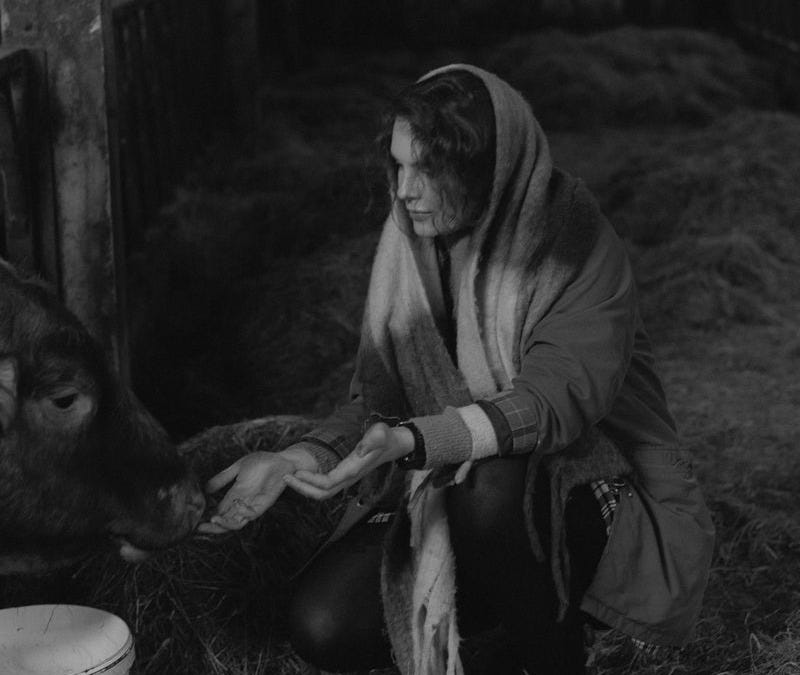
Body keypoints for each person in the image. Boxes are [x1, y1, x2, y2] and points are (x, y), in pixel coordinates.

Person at [199, 64, 715, 674]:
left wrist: (414, 440)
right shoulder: (407, 247)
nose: (404, 191)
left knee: (489, 489)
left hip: (586, 476)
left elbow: (553, 402)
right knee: (324, 624)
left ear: (489, 171)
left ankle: (554, 659)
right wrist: (296, 459)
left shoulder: (572, 243)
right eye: (399, 166)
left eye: (428, 170)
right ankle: (511, 617)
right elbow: (378, 407)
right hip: (447, 482)